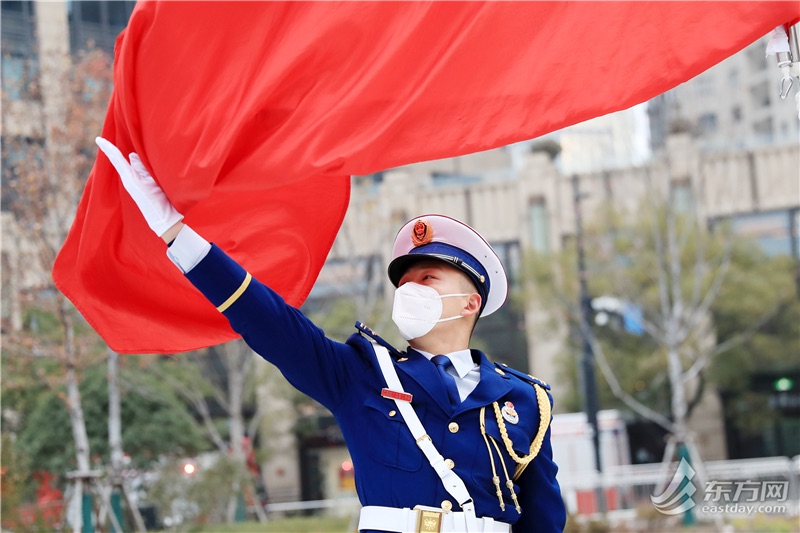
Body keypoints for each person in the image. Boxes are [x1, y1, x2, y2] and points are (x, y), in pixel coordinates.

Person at [96, 137, 566, 533]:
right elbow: (272, 323)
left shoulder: (526, 400)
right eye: (403, 283)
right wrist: (177, 234)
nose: (410, 291)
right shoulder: (358, 375)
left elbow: (544, 520)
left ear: (471, 303)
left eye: (428, 279)